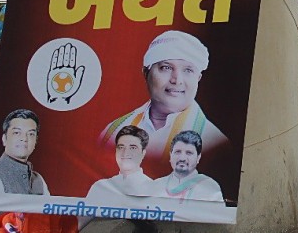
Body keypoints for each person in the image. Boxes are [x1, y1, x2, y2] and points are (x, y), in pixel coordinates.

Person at [99, 31, 228, 162]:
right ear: (146, 73)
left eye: (188, 70)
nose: (177, 80)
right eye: (166, 68)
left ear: (198, 78)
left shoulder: (216, 144)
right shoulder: (112, 132)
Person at [0, 109, 50, 196]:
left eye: (31, 134)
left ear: (36, 141)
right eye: (17, 133)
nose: (24, 139)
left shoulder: (39, 180)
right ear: (4, 139)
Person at [86, 125, 155, 203]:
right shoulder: (99, 188)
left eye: (133, 148)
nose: (125, 153)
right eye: (121, 147)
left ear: (143, 153)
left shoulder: (153, 190)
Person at [153, 130, 224, 202]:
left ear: (198, 158)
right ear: (170, 155)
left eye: (189, 153)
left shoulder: (209, 187)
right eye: (178, 152)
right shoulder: (156, 185)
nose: (182, 158)